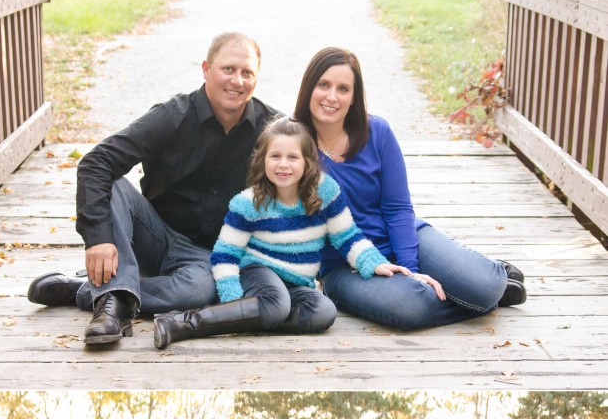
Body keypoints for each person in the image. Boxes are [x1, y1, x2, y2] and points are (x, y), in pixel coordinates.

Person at [27, 32, 278, 346]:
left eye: (247, 73)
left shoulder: (271, 129)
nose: (237, 80)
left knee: (199, 292)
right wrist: (99, 237)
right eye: (228, 69)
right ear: (206, 69)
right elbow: (96, 163)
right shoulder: (173, 115)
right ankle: (111, 309)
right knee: (115, 183)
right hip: (153, 235)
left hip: (206, 257)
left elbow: (307, 176)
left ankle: (92, 292)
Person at [294, 47, 527, 330]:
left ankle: (485, 285)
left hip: (399, 236)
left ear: (354, 97)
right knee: (413, 306)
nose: (332, 97)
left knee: (486, 285)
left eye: (343, 89)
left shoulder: (376, 132)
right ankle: (470, 296)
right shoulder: (291, 146)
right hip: (345, 265)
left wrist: (411, 270)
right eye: (323, 85)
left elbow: (397, 207)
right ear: (309, 87)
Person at [153, 116, 411, 348]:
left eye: (293, 157)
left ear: (308, 162)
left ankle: (251, 317)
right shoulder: (248, 202)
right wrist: (232, 299)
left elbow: (347, 236)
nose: (283, 165)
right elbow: (225, 255)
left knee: (323, 311)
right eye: (275, 156)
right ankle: (184, 323)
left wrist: (373, 263)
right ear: (262, 160)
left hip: (296, 284)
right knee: (275, 301)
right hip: (257, 272)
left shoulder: (325, 192)